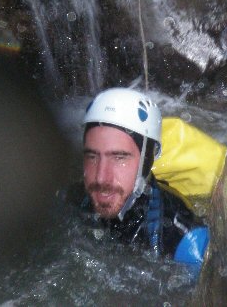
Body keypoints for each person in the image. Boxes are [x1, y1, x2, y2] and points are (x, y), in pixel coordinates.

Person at [69, 87, 210, 268]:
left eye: (119, 158)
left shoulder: (185, 240)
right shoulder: (73, 199)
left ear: (148, 159)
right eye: (92, 157)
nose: (101, 177)